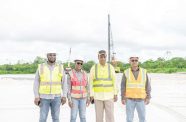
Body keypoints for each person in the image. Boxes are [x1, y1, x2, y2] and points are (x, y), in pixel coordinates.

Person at [33, 51, 67, 122]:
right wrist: (36, 96)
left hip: (57, 97)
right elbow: (36, 82)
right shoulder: (41, 67)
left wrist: (64, 96)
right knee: (42, 118)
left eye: (54, 55)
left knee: (56, 118)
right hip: (44, 97)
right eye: (50, 55)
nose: (52, 56)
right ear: (47, 56)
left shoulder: (60, 67)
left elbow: (64, 83)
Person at [89, 50, 118, 122]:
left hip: (109, 96)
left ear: (106, 57)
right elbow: (91, 83)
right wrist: (91, 95)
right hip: (97, 97)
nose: (102, 58)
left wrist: (115, 93)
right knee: (99, 118)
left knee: (110, 117)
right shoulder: (93, 68)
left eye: (104, 56)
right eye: (101, 57)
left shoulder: (110, 67)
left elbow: (114, 81)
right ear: (98, 57)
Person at [121, 56, 151, 122]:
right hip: (129, 100)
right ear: (130, 62)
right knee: (129, 119)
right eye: (132, 60)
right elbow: (123, 86)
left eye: (136, 60)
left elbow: (147, 85)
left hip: (141, 100)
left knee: (142, 119)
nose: (134, 62)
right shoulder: (126, 72)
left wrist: (148, 97)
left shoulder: (144, 71)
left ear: (138, 61)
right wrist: (123, 98)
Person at [67, 57, 90, 122]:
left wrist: (88, 98)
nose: (79, 64)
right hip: (74, 98)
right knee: (73, 116)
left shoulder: (85, 73)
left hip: (83, 98)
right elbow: (68, 88)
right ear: (75, 63)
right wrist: (69, 100)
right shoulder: (70, 73)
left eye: (81, 63)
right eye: (78, 63)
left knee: (83, 117)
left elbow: (87, 86)